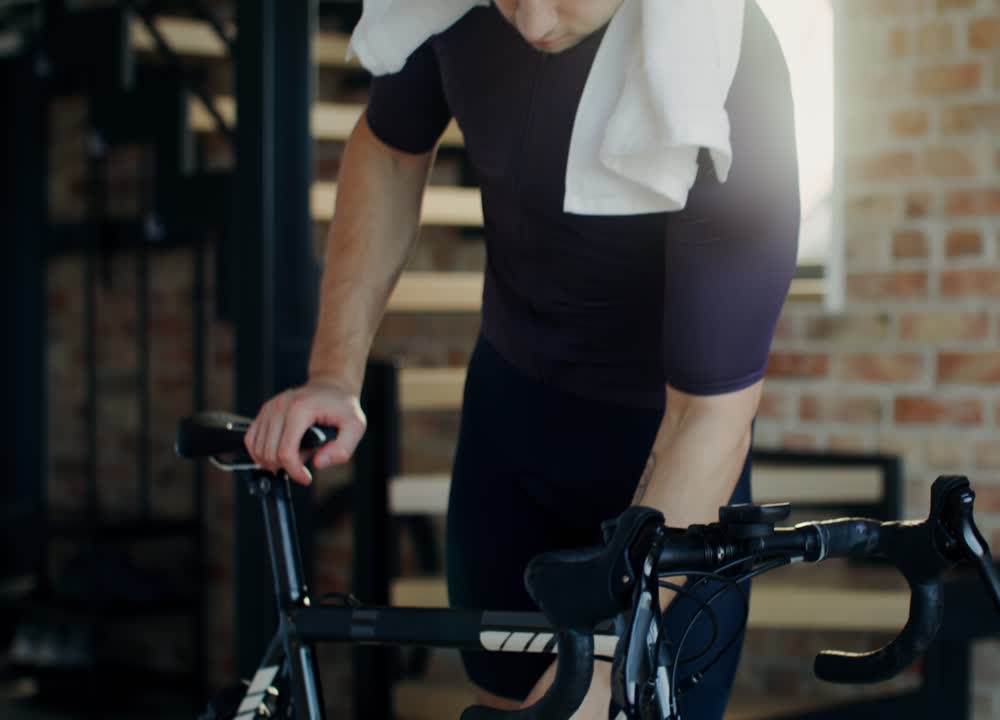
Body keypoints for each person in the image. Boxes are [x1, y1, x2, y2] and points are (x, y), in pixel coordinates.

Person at [242, 0, 799, 716]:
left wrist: (607, 664)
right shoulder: (447, 12)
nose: (533, 22)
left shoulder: (733, 69)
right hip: (508, 442)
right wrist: (333, 372)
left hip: (670, 462)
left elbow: (711, 418)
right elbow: (389, 148)